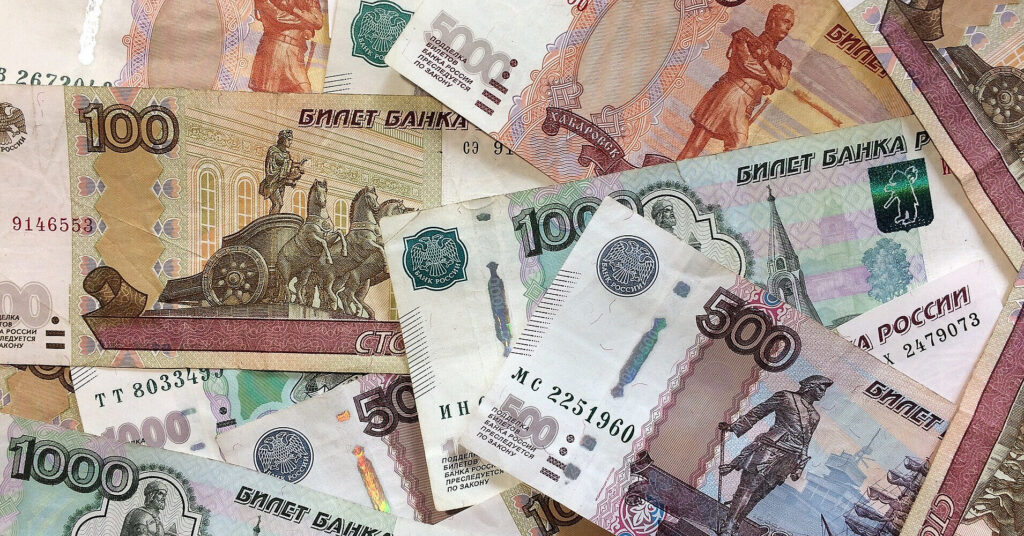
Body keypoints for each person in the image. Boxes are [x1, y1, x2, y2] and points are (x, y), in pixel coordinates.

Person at [717, 375, 832, 536]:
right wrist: (734, 427)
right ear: (810, 386)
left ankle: (736, 525)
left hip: (789, 459)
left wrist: (800, 466)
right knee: (747, 488)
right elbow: (759, 411)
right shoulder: (786, 397)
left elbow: (805, 442)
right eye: (820, 388)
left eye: (824, 390)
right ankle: (728, 526)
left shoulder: (815, 416)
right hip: (769, 449)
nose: (822, 393)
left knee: (758, 495)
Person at [678, 4, 795, 160]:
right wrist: (770, 78)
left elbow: (781, 83)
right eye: (785, 21)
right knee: (696, 144)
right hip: (728, 95)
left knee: (737, 148)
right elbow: (746, 64)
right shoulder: (744, 37)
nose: (788, 28)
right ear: (771, 22)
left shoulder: (783, 60)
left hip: (746, 106)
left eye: (791, 25)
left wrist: (765, 61)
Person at [250, 0, 323, 93]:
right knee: (268, 96)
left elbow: (318, 22)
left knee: (304, 92)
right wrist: (306, 23)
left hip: (296, 53)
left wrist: (294, 10)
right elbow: (277, 16)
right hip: (275, 49)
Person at [260, 130, 307, 215]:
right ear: (283, 139)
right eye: (289, 140)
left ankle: (273, 220)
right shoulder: (273, 150)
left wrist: (298, 166)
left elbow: (288, 165)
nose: (291, 142)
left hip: (281, 182)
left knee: (279, 204)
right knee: (278, 203)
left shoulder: (286, 154)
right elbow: (282, 161)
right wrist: (297, 165)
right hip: (272, 182)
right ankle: (272, 221)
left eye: (291, 140)